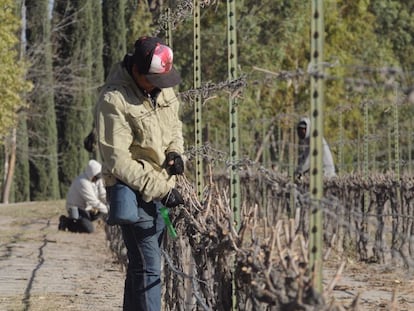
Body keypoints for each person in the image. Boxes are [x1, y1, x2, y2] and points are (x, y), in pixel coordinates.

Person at [95, 36, 185, 311]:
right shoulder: (114, 100)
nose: (161, 87)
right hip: (132, 190)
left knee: (141, 265)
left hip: (160, 186)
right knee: (149, 268)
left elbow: (174, 127)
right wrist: (162, 190)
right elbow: (117, 160)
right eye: (155, 81)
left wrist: (175, 152)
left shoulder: (163, 88)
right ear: (137, 71)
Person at [58, 159, 109, 233]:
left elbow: (102, 194)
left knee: (101, 210)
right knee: (89, 229)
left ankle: (83, 220)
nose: (98, 178)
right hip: (76, 208)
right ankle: (68, 222)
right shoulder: (82, 182)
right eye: (97, 176)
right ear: (91, 174)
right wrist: (108, 210)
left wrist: (109, 204)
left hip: (87, 208)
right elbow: (93, 201)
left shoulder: (97, 180)